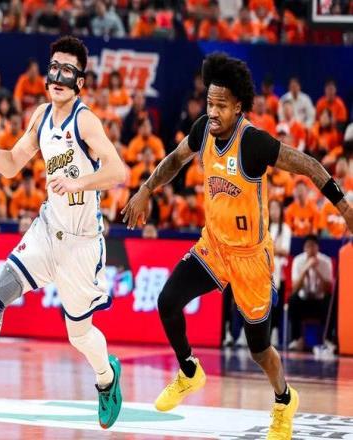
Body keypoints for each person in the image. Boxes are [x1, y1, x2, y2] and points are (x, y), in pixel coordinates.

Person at [122, 52, 353, 439]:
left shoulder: (254, 143)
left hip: (251, 258)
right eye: (209, 103)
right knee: (167, 301)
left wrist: (344, 207)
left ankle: (284, 400)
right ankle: (189, 371)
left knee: (259, 349)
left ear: (238, 107)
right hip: (214, 246)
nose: (212, 112)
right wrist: (146, 189)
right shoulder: (203, 130)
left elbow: (310, 165)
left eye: (221, 106)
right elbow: (175, 160)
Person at [0, 36, 125, 429]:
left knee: (79, 335)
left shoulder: (85, 121)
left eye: (67, 71)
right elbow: (12, 165)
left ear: (79, 82)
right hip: (47, 230)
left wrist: (78, 183)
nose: (58, 76)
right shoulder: (41, 116)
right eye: (53, 67)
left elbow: (118, 171)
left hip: (81, 245)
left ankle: (107, 379)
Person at [288, 235, 334, 352]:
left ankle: (328, 339)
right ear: (304, 248)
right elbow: (295, 288)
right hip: (304, 301)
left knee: (330, 300)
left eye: (314, 246)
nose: (311, 249)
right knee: (293, 299)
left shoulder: (326, 261)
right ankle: (296, 339)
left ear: (318, 248)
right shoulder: (298, 261)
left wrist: (317, 270)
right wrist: (305, 269)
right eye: (308, 246)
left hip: (319, 301)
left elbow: (328, 288)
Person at [268, 199, 291, 346]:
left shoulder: (286, 229)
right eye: (271, 208)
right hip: (263, 269)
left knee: (275, 304)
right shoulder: (265, 226)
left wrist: (270, 249)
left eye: (276, 208)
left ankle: (275, 333)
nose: (274, 211)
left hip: (278, 271)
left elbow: (285, 251)